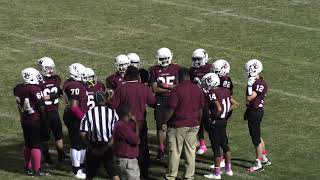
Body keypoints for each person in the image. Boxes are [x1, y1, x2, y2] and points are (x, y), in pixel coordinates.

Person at [109, 65, 156, 179]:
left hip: (125, 124)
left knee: (124, 149)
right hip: (140, 123)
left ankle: (124, 172)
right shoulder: (144, 88)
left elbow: (113, 105)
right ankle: (142, 173)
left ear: (127, 76)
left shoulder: (121, 88)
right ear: (138, 76)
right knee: (142, 149)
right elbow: (153, 103)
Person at [165, 67, 204, 180]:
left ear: (179, 77)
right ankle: (188, 176)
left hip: (178, 124)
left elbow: (171, 109)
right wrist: (198, 123)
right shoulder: (197, 89)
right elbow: (200, 109)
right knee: (190, 152)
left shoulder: (177, 90)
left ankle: (171, 176)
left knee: (175, 152)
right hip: (194, 124)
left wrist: (164, 121)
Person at [13, 68, 49, 176]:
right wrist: (45, 121)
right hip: (35, 119)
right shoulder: (34, 89)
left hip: (25, 119)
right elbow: (41, 107)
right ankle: (37, 170)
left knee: (28, 144)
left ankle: (27, 167)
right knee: (36, 145)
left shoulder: (18, 89)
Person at [201, 73, 237, 179]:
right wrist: (224, 114)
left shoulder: (212, 92)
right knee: (224, 144)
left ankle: (216, 173)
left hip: (216, 122)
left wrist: (213, 118)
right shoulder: (226, 90)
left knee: (216, 147)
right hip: (223, 121)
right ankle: (228, 168)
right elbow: (234, 103)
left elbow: (219, 108)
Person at [148, 47, 180, 160]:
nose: (164, 60)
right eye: (162, 58)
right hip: (161, 100)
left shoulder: (177, 69)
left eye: (166, 58)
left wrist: (165, 86)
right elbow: (154, 89)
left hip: (173, 99)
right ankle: (161, 149)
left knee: (175, 125)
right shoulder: (153, 70)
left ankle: (174, 148)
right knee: (160, 126)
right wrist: (171, 89)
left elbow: (180, 87)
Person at [80, 91, 120, 180]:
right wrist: (106, 147)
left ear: (94, 101)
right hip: (108, 145)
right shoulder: (112, 113)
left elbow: (82, 132)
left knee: (89, 174)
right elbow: (117, 132)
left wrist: (90, 147)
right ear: (105, 100)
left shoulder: (88, 113)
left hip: (94, 145)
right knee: (113, 173)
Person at [37, 57, 66, 164]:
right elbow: (39, 97)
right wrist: (53, 95)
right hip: (44, 113)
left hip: (54, 111)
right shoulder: (38, 81)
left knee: (59, 135)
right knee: (45, 137)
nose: (51, 70)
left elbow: (60, 92)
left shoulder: (56, 78)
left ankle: (61, 154)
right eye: (48, 68)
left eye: (51, 68)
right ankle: (47, 157)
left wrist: (60, 93)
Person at [244, 59, 271, 172]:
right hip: (254, 110)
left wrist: (250, 86)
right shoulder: (258, 81)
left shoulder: (258, 83)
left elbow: (250, 97)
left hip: (255, 111)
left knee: (256, 139)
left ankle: (258, 163)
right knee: (257, 136)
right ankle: (264, 157)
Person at [63, 63, 88, 179]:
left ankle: (80, 167)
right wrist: (84, 117)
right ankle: (76, 170)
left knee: (82, 144)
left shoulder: (71, 83)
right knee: (76, 144)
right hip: (75, 117)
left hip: (74, 116)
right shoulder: (75, 86)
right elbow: (74, 106)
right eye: (82, 74)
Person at [210, 59, 235, 168]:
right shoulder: (222, 79)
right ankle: (224, 161)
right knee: (221, 137)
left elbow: (225, 97)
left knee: (219, 137)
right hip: (222, 109)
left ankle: (221, 160)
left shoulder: (225, 81)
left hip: (220, 111)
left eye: (216, 71)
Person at [189, 48, 212, 155]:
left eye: (198, 59)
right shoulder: (192, 70)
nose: (196, 61)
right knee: (198, 123)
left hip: (208, 101)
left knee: (209, 124)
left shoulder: (210, 68)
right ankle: (202, 144)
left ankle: (215, 143)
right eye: (194, 59)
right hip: (197, 101)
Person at [113, 105, 140, 180]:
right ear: (129, 114)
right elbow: (136, 140)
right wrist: (136, 123)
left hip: (122, 159)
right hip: (127, 162)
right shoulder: (122, 126)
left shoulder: (119, 124)